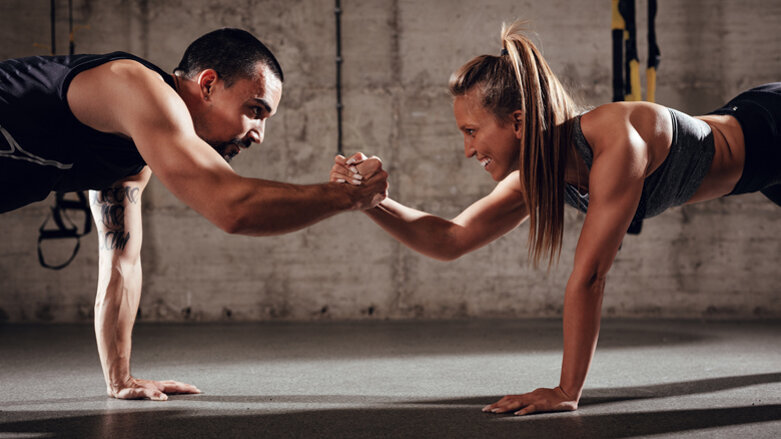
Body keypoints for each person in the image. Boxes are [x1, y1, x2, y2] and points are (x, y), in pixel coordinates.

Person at [331, 20, 780, 416]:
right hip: (761, 165)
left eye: (472, 132)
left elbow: (589, 276)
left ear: (519, 121)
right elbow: (452, 239)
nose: (468, 150)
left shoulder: (615, 140)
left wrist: (567, 390)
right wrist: (372, 202)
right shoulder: (539, 172)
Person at [0, 28, 388, 400]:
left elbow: (122, 262)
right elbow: (232, 208)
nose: (258, 135)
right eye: (255, 111)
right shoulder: (138, 87)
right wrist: (344, 197)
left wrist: (120, 379)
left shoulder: (131, 155)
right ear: (207, 84)